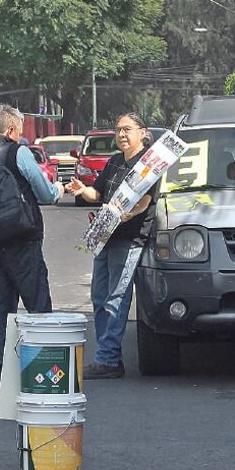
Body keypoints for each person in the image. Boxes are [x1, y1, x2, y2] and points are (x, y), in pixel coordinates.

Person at [0, 104, 65, 391]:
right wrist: (59, 191)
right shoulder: (19, 153)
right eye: (19, 131)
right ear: (10, 130)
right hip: (24, 240)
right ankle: (45, 370)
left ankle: (2, 374)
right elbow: (45, 194)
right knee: (37, 303)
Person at [66, 113, 158, 379]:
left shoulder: (148, 164)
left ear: (142, 132)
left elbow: (145, 200)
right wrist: (82, 189)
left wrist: (127, 215)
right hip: (105, 237)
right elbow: (98, 193)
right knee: (98, 296)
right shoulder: (115, 161)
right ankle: (109, 357)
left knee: (116, 297)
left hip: (129, 239)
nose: (121, 135)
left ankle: (107, 360)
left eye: (127, 129)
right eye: (118, 130)